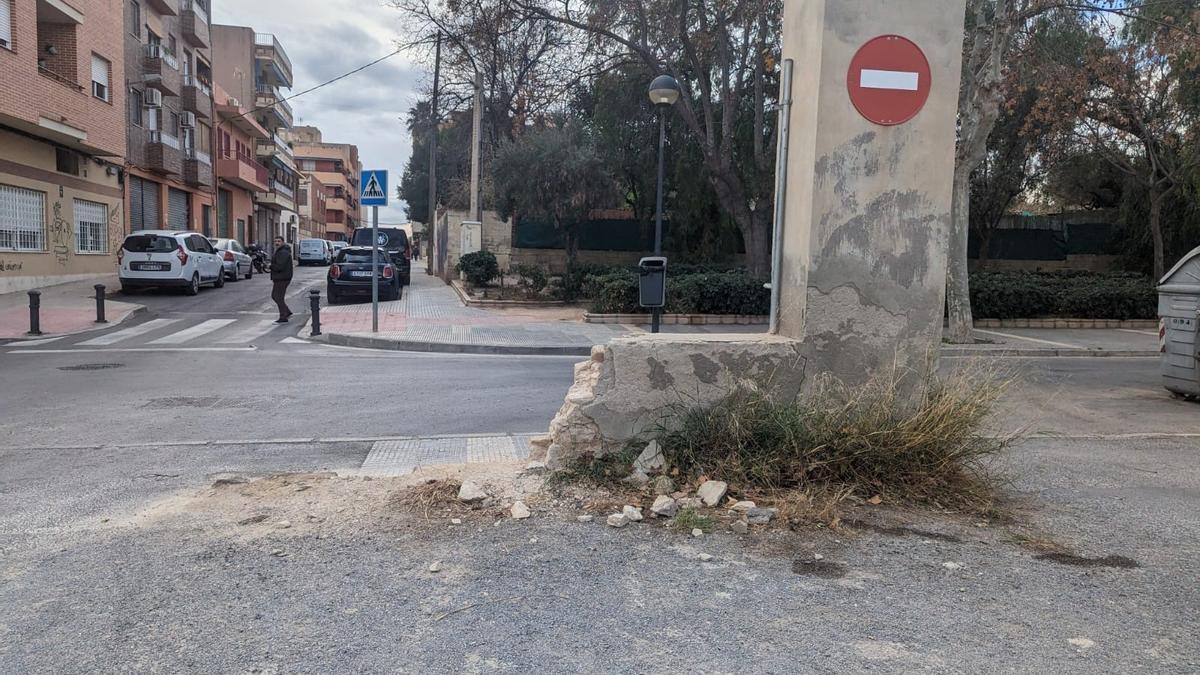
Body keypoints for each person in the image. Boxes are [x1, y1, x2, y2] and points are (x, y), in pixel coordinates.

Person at [270, 236, 294, 324]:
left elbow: (280, 266)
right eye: (275, 241)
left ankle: (283, 317)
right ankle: (287, 311)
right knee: (275, 296)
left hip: (282, 278)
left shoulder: (283, 252)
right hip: (280, 277)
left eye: (279, 241)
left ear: (283, 242)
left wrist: (270, 266)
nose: (277, 243)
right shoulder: (281, 251)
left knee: (278, 297)